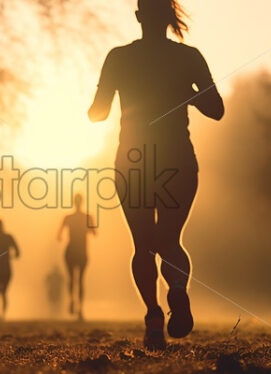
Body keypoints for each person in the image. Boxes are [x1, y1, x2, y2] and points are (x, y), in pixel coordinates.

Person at [88, 0, 224, 349]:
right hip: (178, 158)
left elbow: (97, 114)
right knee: (169, 240)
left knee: (143, 246)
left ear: (138, 17)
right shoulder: (189, 56)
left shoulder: (118, 57)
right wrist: (188, 95)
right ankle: (177, 290)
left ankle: (153, 316)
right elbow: (217, 109)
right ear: (168, 17)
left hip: (132, 160)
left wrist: (101, 99)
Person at [57, 193, 96, 320]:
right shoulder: (88, 217)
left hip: (71, 250)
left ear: (74, 202)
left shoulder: (68, 217)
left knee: (71, 278)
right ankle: (79, 308)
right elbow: (94, 233)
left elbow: (59, 236)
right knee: (80, 280)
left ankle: (72, 301)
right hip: (81, 250)